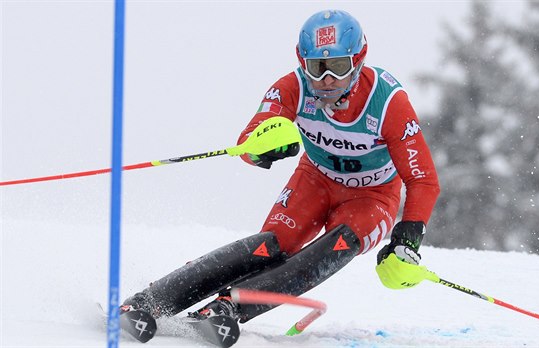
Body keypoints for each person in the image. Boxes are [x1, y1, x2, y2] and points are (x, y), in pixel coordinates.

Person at [121, 9, 440, 326]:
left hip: (372, 196)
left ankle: (228, 308)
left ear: (358, 60)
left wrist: (407, 237)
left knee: (336, 246)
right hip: (315, 180)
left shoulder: (387, 100)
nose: (327, 79)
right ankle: (150, 302)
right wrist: (265, 147)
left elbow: (423, 179)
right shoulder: (294, 88)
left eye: (338, 66)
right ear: (303, 63)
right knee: (271, 245)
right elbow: (247, 142)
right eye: (318, 67)